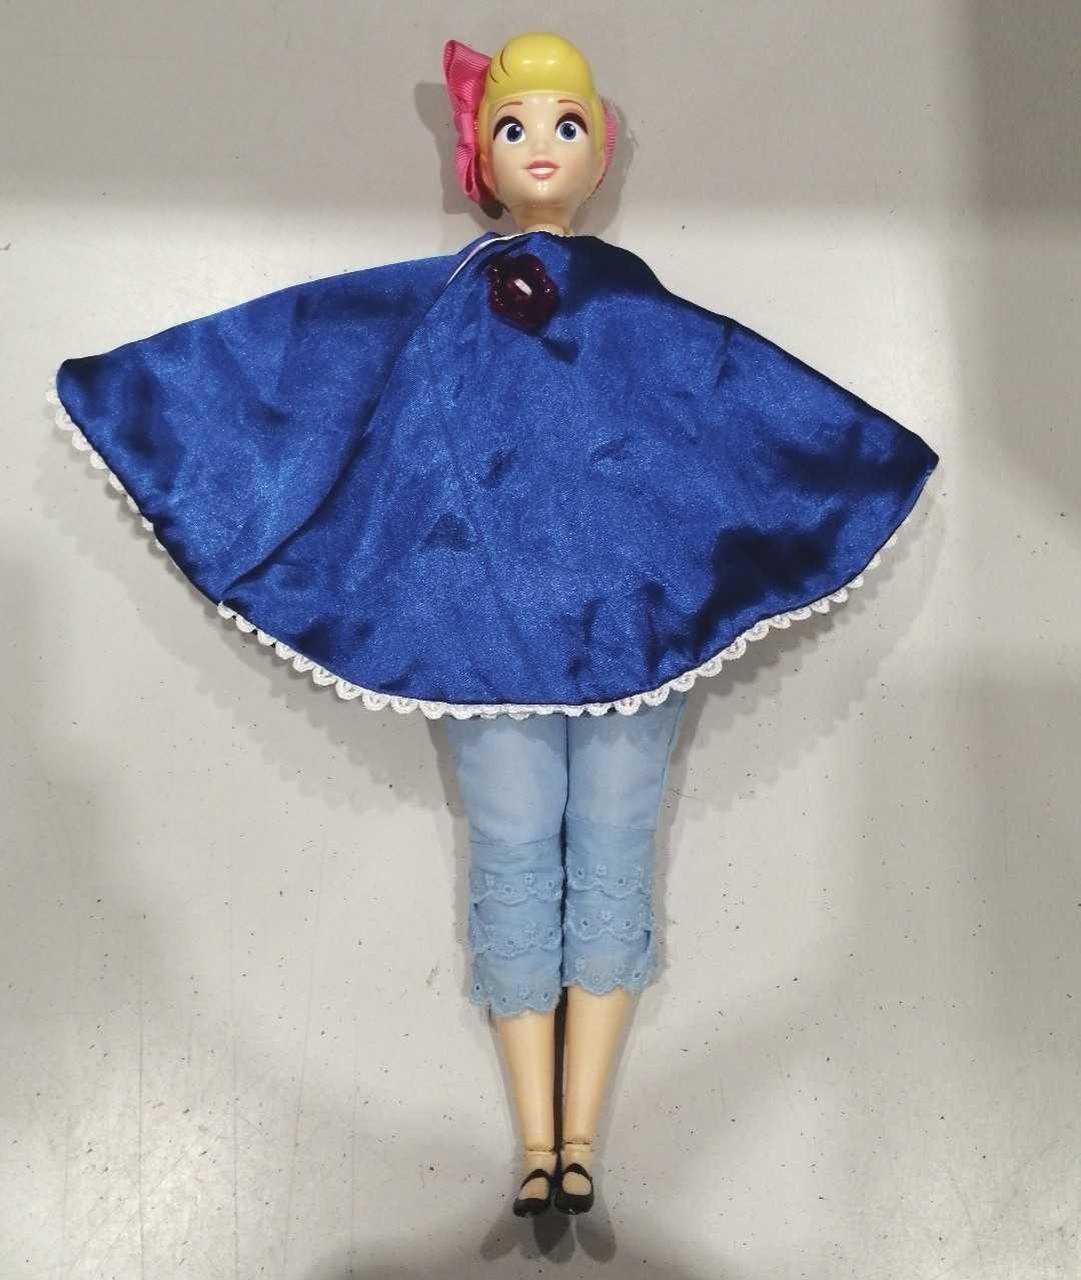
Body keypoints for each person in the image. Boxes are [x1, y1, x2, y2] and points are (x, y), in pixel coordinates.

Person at [47, 30, 939, 1220]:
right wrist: (160, 399)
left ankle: (578, 1134)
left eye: (566, 124)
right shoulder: (451, 298)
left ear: (599, 147)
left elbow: (723, 390)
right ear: (482, 154)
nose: (542, 146)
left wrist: (845, 458)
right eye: (515, 126)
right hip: (476, 625)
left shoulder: (631, 302)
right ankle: (538, 1139)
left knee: (612, 841)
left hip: (632, 623)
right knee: (516, 846)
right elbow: (325, 351)